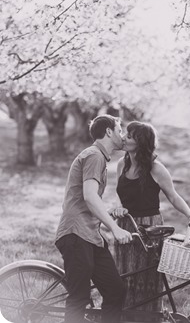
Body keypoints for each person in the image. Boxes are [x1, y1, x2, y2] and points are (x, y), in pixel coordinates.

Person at [110, 121, 190, 313]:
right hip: (126, 226)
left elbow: (173, 196)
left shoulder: (156, 168)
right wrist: (119, 207)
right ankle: (125, 316)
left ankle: (148, 317)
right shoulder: (121, 164)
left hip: (149, 228)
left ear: (141, 142)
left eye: (129, 136)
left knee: (147, 278)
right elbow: (121, 194)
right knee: (125, 274)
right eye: (125, 134)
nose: (124, 138)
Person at [55, 115, 133, 323]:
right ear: (109, 132)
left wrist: (111, 211)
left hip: (91, 237)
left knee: (115, 290)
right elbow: (89, 196)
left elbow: (88, 199)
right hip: (76, 234)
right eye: (119, 130)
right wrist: (115, 229)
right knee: (79, 298)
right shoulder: (94, 155)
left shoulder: (98, 157)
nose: (122, 135)